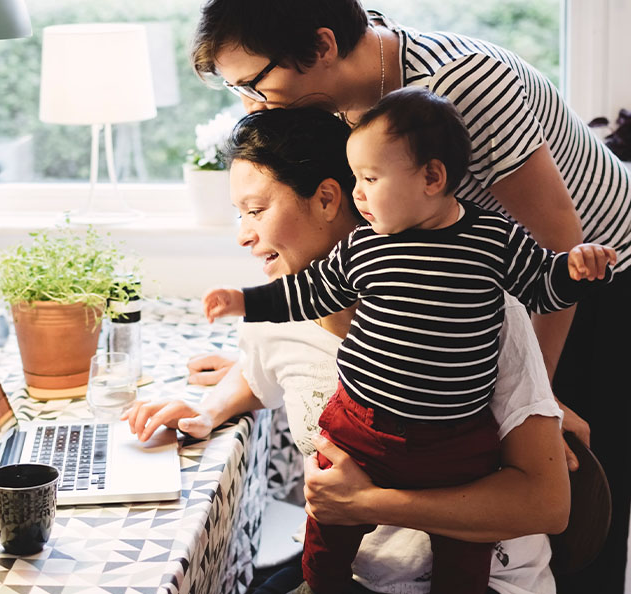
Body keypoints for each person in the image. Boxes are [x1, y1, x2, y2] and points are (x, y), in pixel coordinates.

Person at [190, 4, 631, 590]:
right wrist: (269, 358)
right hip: (500, 271)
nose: (248, 102)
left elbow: (558, 239)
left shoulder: (461, 85)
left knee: (572, 487)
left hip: (593, 269)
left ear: (322, 47)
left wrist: (535, 404)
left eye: (254, 82)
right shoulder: (341, 99)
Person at [126, 107, 571, 594]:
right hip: (355, 577)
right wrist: (206, 410)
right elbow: (262, 373)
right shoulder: (276, 315)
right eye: (239, 215)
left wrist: (368, 503)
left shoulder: (473, 302)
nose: (243, 234)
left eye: (256, 210)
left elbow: (547, 505)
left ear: (326, 198)